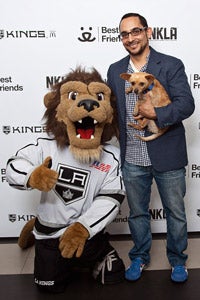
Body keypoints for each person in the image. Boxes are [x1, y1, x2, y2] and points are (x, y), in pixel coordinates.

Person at [107, 12, 195, 283]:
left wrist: (157, 113)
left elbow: (186, 104)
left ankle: (178, 261)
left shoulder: (169, 65)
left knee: (175, 213)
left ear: (148, 32)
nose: (130, 38)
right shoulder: (114, 70)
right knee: (137, 213)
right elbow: (113, 111)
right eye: (124, 34)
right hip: (132, 155)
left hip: (167, 152)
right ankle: (139, 257)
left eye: (136, 31)